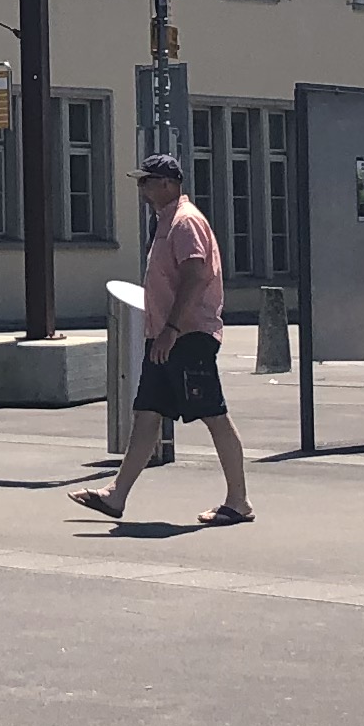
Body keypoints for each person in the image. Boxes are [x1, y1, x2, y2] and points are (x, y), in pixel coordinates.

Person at [74, 153, 252, 529]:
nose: (142, 188)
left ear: (169, 184)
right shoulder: (166, 221)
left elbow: (195, 275)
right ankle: (116, 495)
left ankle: (238, 501)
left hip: (187, 336)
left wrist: (171, 329)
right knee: (147, 413)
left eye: (147, 181)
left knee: (213, 414)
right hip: (165, 336)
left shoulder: (185, 222)